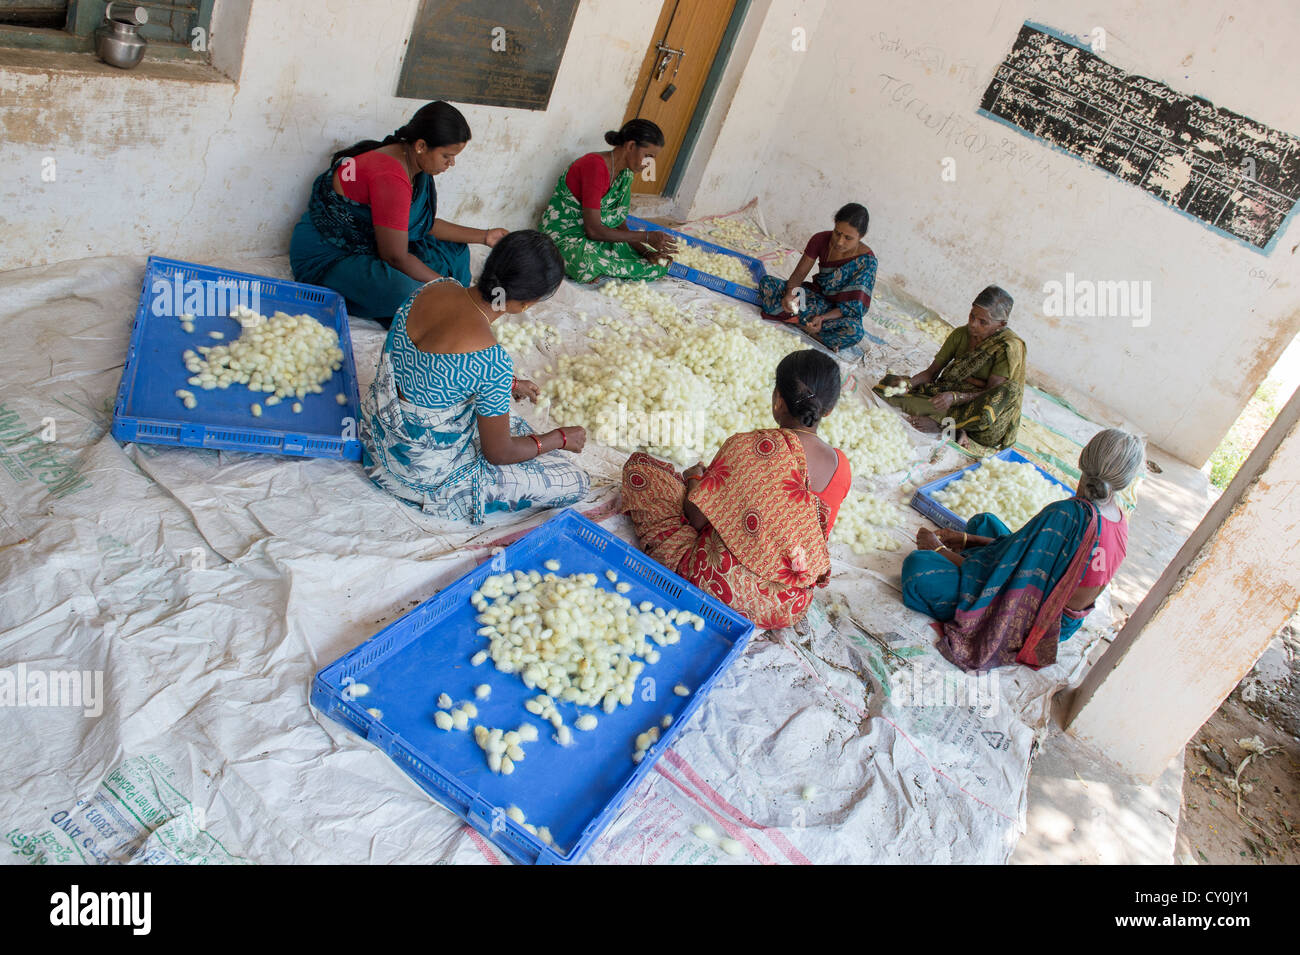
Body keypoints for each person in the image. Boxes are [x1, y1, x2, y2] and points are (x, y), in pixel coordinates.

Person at [360, 230, 589, 524]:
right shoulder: (490, 361)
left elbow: (434, 368)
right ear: (525, 305)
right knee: (574, 480)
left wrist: (510, 384)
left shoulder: (436, 287)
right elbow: (499, 452)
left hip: (377, 435)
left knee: (516, 428)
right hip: (416, 472)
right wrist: (559, 438)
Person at [621, 350, 852, 629]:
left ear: (778, 399)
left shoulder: (748, 447)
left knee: (642, 470)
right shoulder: (842, 467)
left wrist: (696, 480)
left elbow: (696, 519)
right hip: (787, 606)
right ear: (828, 411)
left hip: (719, 586)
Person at [900, 429, 1143, 670]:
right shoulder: (1119, 522)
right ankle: (964, 549)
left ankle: (951, 580)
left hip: (1037, 622)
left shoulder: (1068, 516)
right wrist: (966, 539)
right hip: (1057, 611)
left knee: (919, 568)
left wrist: (940, 550)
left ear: (1084, 457)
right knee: (984, 522)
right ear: (1125, 481)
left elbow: (1001, 577)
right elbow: (1026, 552)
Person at [290, 101, 507, 328]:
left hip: (377, 244)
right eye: (447, 156)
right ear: (421, 146)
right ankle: (411, 299)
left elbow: (421, 224)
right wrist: (446, 287)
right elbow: (394, 256)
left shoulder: (414, 162)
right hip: (330, 254)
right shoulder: (391, 177)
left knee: (456, 251)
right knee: (407, 293)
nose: (451, 163)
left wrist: (485, 236)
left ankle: (433, 296)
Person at [873, 285, 1025, 449]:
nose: (973, 324)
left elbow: (992, 394)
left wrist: (956, 397)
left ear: (1001, 325)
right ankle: (952, 426)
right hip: (951, 401)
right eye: (972, 316)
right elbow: (931, 373)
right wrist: (908, 385)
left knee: (1009, 390)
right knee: (888, 386)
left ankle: (943, 425)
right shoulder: (961, 334)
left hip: (980, 414)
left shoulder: (1007, 347)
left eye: (983, 322)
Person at [539, 119, 678, 283]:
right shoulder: (594, 166)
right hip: (565, 236)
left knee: (660, 264)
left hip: (594, 240)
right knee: (587, 263)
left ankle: (602, 267)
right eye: (648, 156)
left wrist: (645, 251)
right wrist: (646, 237)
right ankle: (589, 266)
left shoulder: (625, 174)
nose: (649, 164)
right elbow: (593, 230)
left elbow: (618, 221)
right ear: (631, 146)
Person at [758, 203, 877, 352]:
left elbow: (852, 308)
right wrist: (790, 295)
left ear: (861, 237)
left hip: (836, 314)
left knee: (855, 332)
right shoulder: (821, 239)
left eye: (848, 238)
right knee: (767, 284)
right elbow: (799, 274)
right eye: (837, 233)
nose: (840, 241)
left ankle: (797, 321)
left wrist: (822, 318)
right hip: (813, 299)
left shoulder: (867, 262)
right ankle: (808, 327)